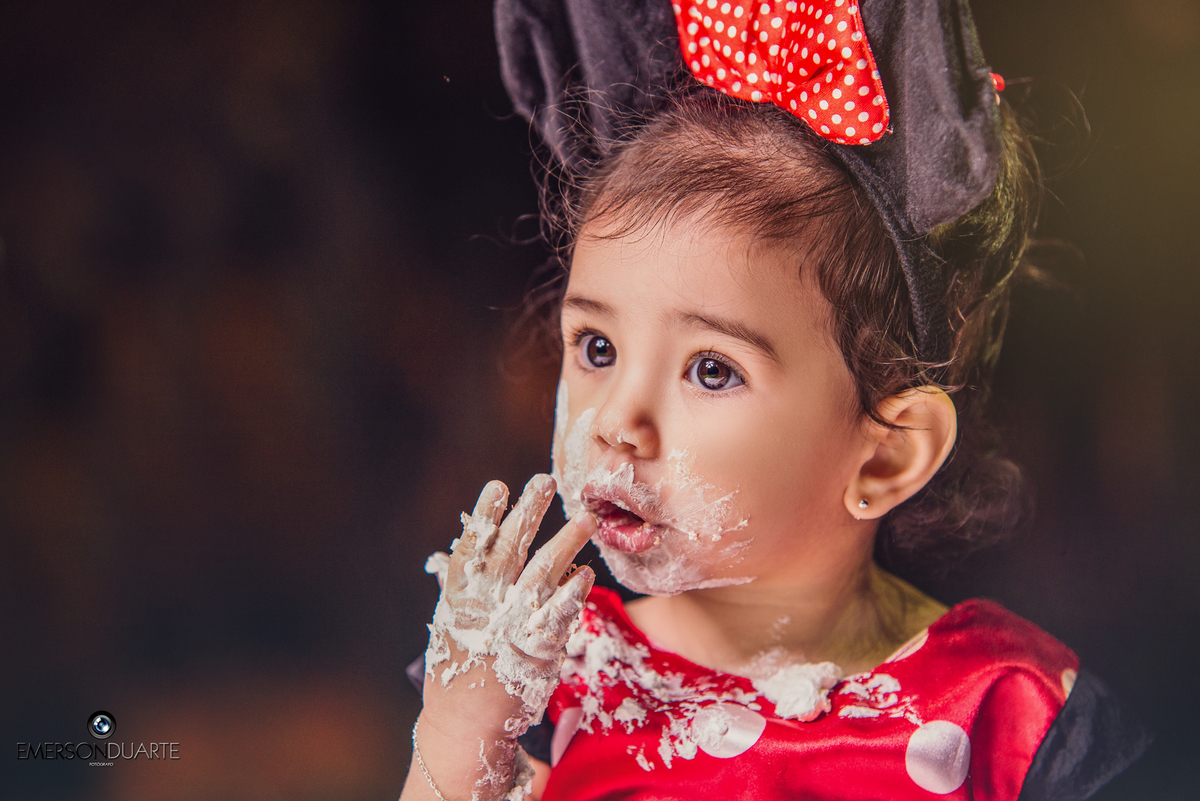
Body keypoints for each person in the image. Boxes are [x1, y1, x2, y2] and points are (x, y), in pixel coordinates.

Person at [401, 1, 1150, 799]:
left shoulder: (1014, 716)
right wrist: (457, 737)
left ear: (885, 453)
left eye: (712, 369)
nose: (617, 422)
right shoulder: (540, 687)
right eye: (597, 348)